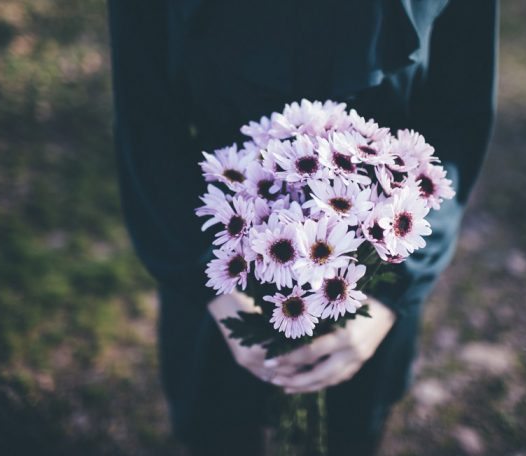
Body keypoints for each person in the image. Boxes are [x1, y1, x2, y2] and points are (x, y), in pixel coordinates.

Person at [107, 1, 498, 454]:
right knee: (217, 428)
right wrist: (211, 285)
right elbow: (144, 115)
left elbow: (458, 119)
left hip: (374, 252)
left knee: (345, 435)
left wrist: (388, 297)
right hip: (213, 244)